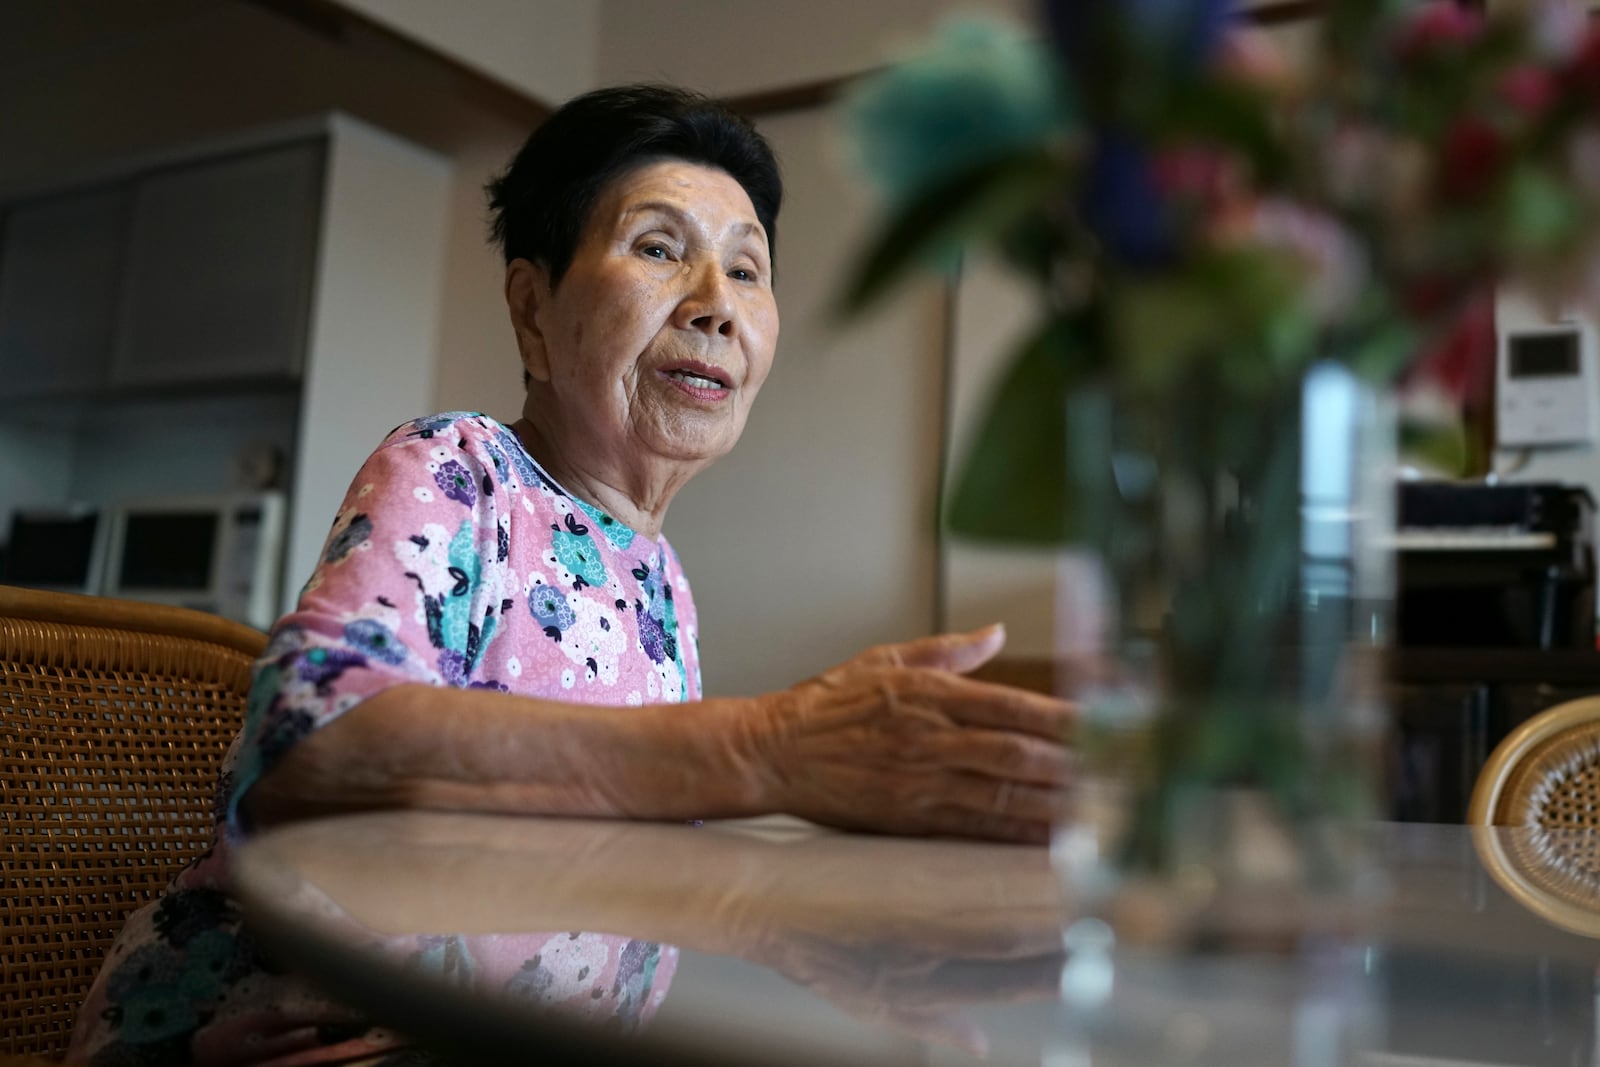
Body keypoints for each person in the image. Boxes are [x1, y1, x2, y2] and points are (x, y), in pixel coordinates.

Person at [69, 84, 1073, 1066]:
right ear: (532, 306)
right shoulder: (459, 469)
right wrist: (774, 745)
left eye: (747, 269)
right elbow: (311, 743)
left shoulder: (662, 579)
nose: (717, 306)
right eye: (658, 248)